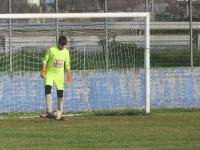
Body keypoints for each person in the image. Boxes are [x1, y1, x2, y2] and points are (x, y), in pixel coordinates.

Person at [40, 35, 71, 121]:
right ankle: (49, 112)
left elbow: (67, 65)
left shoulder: (66, 52)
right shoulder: (51, 50)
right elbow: (45, 60)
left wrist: (69, 76)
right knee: (47, 89)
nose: (63, 47)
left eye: (64, 45)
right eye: (62, 45)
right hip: (49, 73)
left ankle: (60, 114)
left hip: (60, 75)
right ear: (58, 43)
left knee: (60, 95)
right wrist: (43, 70)